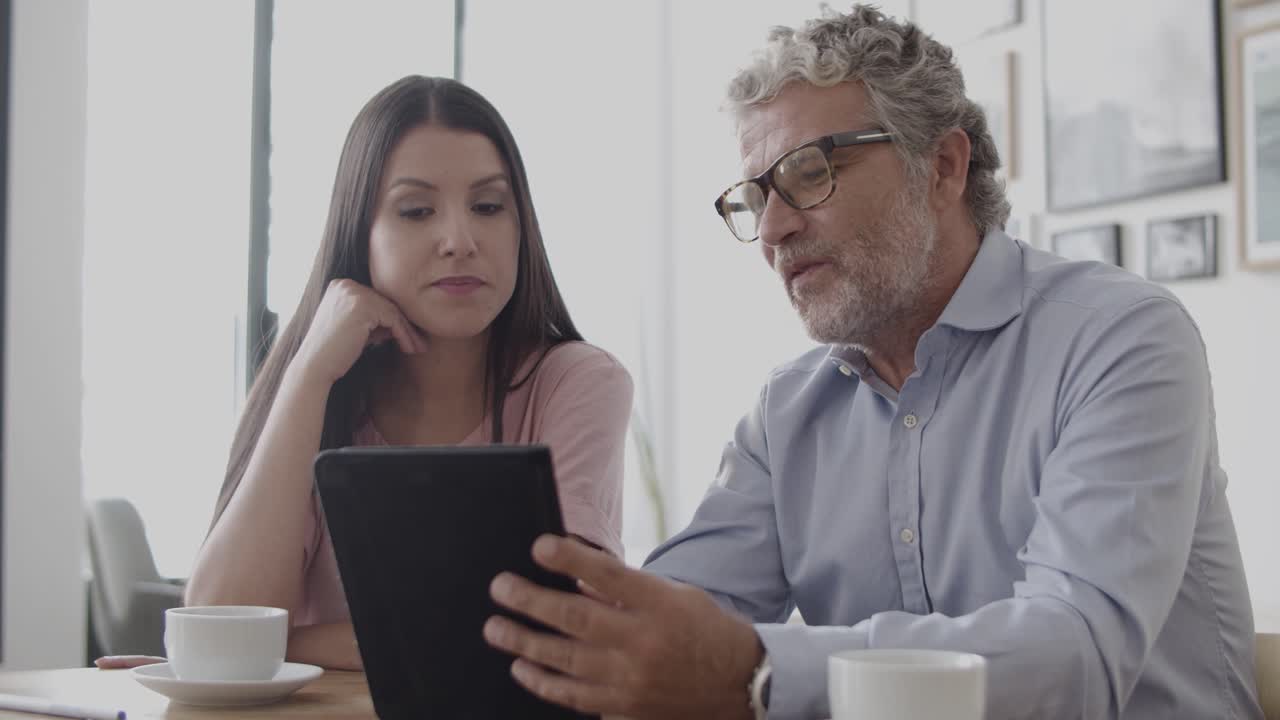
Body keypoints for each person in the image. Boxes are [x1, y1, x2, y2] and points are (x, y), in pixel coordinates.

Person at [481, 7, 1263, 719]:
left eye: (810, 172)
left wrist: (756, 669)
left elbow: (1074, 658)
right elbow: (678, 615)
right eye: (755, 200)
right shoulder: (786, 414)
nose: (773, 230)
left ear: (944, 168)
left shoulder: (1120, 339)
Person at [165, 76, 632, 670]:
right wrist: (308, 374)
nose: (459, 241)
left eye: (488, 207)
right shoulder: (325, 393)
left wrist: (280, 646)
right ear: (359, 236)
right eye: (416, 211)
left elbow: (555, 629)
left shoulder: (578, 383)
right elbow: (219, 625)